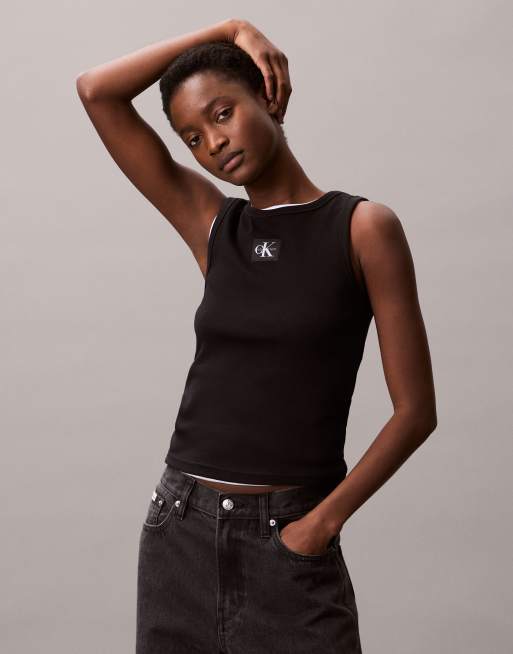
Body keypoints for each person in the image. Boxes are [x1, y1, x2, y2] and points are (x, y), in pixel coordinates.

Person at [76, 17, 437, 654]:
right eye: (192, 137)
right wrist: (230, 27)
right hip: (180, 533)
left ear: (268, 96)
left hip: (290, 540)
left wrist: (319, 524)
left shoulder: (361, 229)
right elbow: (96, 91)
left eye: (223, 113)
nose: (213, 143)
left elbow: (416, 412)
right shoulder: (215, 226)